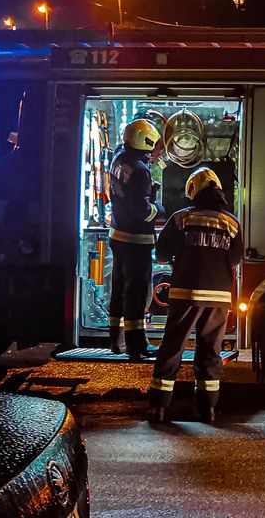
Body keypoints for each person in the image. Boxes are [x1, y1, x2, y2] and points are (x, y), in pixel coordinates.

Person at [149, 167, 243, 423]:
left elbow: (161, 254)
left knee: (172, 347)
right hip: (219, 297)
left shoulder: (181, 219)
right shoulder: (232, 222)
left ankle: (158, 408)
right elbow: (235, 258)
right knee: (210, 351)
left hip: (185, 293)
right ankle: (207, 409)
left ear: (193, 191)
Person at [106, 119, 162, 359]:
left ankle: (116, 340)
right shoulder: (140, 170)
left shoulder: (119, 158)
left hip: (118, 235)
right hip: (136, 240)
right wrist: (158, 207)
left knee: (118, 289)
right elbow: (142, 210)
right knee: (137, 293)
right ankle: (137, 344)